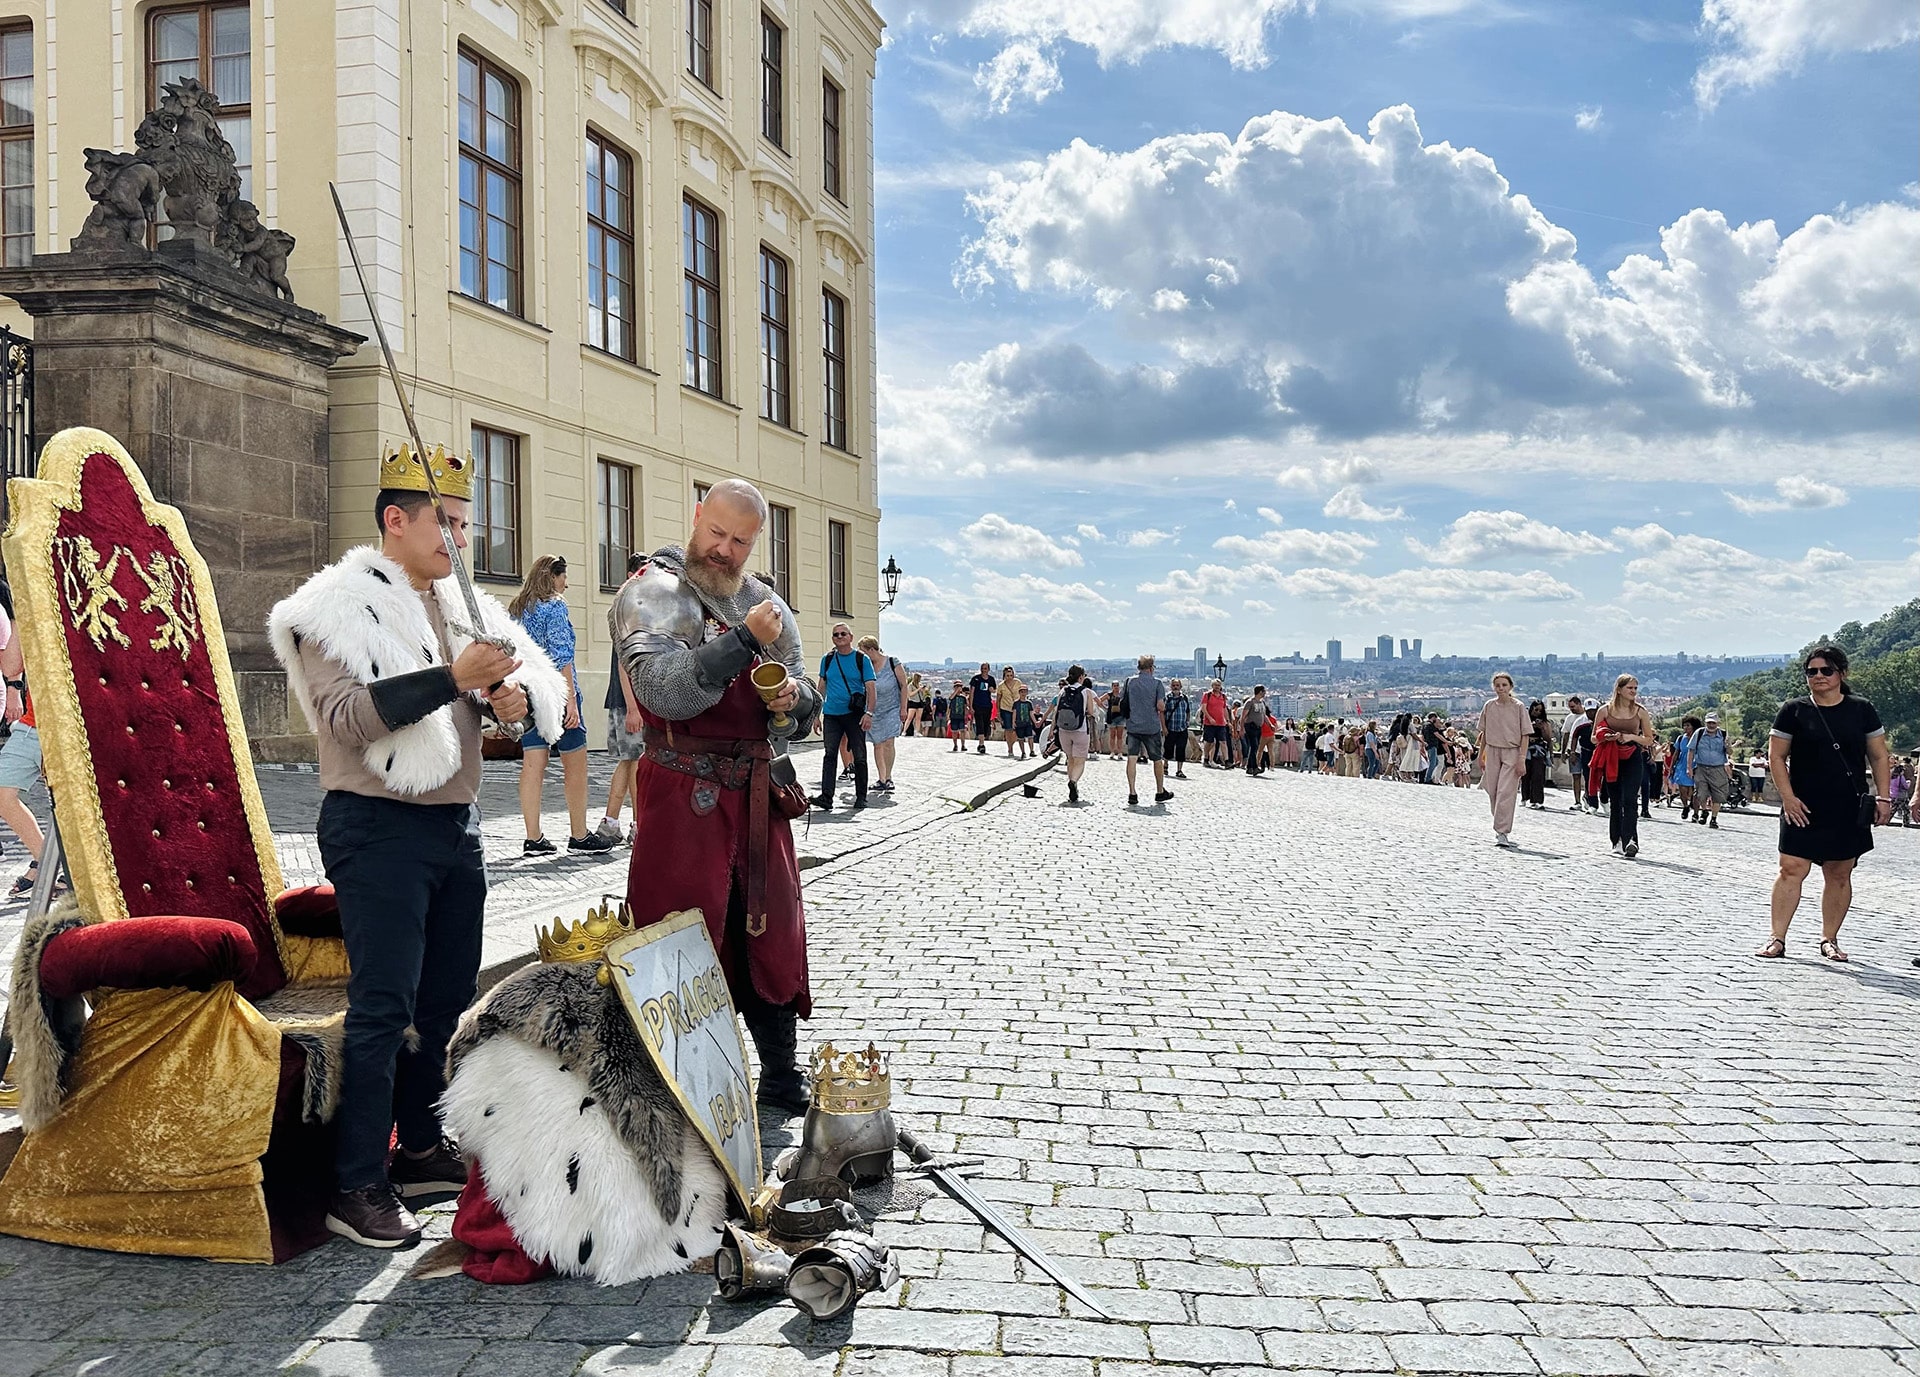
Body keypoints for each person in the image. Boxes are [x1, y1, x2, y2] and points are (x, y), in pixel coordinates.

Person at [268, 445, 563, 1248]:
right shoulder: (331, 605)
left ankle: (422, 1148)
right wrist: (450, 677)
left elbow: (526, 696)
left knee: (442, 1003)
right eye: (447, 522)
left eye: (466, 524)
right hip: (376, 826)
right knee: (383, 1007)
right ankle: (355, 1181)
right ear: (395, 521)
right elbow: (345, 718)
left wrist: (505, 693)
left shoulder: (461, 604)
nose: (459, 539)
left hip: (454, 826)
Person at [612, 478, 822, 1111]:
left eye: (740, 541)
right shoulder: (654, 591)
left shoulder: (764, 602)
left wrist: (790, 701)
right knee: (679, 931)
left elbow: (805, 702)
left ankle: (781, 1073)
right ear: (696, 515)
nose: (724, 550)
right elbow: (664, 692)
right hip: (683, 797)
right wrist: (744, 642)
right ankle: (674, 1081)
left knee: (768, 929)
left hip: (758, 797)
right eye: (716, 533)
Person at [1757, 646, 1891, 962]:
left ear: (1841, 675)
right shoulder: (1793, 710)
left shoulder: (1862, 709)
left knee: (1839, 873)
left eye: (1826, 670)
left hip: (1847, 802)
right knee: (1791, 868)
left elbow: (1879, 755)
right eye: (1812, 671)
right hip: (1801, 802)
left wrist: (1884, 797)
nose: (1818, 676)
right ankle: (1777, 938)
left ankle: (1829, 939)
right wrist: (1787, 798)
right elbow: (1776, 757)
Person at [510, 556, 616, 855]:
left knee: (533, 763)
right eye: (564, 577)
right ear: (553, 577)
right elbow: (562, 656)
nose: (566, 583)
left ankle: (533, 837)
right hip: (557, 692)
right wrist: (570, 700)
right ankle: (579, 835)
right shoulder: (554, 606)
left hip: (530, 693)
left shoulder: (518, 609)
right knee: (575, 763)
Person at [594, 553, 648, 843]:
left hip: (625, 699)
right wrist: (633, 707)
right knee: (636, 763)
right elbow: (624, 662)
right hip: (630, 702)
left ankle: (611, 823)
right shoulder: (629, 609)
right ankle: (638, 826)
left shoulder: (625, 607)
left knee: (629, 762)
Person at [814, 623, 875, 810]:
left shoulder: (861, 659)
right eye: (836, 634)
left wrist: (869, 713)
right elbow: (821, 687)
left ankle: (861, 796)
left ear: (851, 637)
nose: (839, 637)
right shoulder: (828, 659)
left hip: (854, 714)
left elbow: (871, 688)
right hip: (831, 713)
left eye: (843, 634)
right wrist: (816, 714)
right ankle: (826, 796)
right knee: (829, 755)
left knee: (859, 755)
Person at [1596, 674, 1656, 858]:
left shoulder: (1640, 711)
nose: (1633, 692)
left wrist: (1630, 737)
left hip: (1632, 756)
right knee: (1616, 801)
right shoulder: (1604, 711)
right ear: (1619, 690)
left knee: (1630, 799)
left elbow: (1649, 738)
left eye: (1635, 688)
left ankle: (1631, 840)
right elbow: (1593, 736)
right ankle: (1617, 840)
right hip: (1612, 756)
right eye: (1630, 688)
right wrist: (1607, 737)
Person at [1478, 672, 1527, 848]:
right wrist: (1480, 755)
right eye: (1497, 685)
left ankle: (1502, 830)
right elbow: (1484, 733)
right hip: (1492, 750)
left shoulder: (1519, 707)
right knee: (1493, 790)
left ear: (1510, 687)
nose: (1501, 688)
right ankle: (1500, 825)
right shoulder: (1489, 706)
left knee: (1505, 792)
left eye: (1504, 685)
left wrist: (1521, 758)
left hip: (1511, 751)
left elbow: (1525, 735)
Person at [1120, 654, 1172, 806]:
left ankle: (1132, 792)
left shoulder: (1129, 682)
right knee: (1157, 759)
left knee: (1132, 758)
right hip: (1151, 726)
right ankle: (1159, 791)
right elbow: (1160, 706)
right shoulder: (1157, 684)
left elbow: (1123, 700)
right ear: (1151, 668)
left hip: (1133, 725)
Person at [857, 634, 906, 794]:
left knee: (888, 743)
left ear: (872, 649)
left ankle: (889, 777)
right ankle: (882, 778)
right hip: (873, 710)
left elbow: (904, 685)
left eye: (863, 651)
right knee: (877, 744)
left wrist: (903, 708)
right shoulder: (866, 666)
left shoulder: (892, 662)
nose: (862, 655)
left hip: (892, 708)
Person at [1054, 665, 1094, 803]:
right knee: (1080, 760)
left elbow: (1056, 711)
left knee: (1070, 758)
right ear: (1081, 677)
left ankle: (1072, 786)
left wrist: (1053, 729)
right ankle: (1073, 781)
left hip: (1064, 730)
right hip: (1080, 729)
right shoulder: (1086, 692)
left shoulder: (1062, 691)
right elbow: (1091, 712)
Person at [1689, 712, 1733, 828]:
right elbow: (1691, 750)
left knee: (1718, 795)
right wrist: (1689, 768)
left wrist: (1728, 746)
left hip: (1718, 768)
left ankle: (1714, 818)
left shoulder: (1723, 734)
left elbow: (1730, 753)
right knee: (1701, 793)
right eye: (1709, 723)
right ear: (1705, 723)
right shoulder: (1699, 733)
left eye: (1713, 723)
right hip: (1701, 767)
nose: (1711, 725)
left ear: (1717, 723)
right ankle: (1704, 811)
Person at [1522, 699, 1552, 810]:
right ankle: (1525, 797)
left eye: (1540, 710)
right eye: (1536, 709)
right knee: (1525, 775)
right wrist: (1530, 727)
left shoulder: (1545, 723)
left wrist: (1542, 729)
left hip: (1539, 749)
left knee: (1538, 775)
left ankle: (1537, 800)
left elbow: (1548, 739)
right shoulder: (1524, 720)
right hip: (1526, 748)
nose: (1537, 712)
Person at [1568, 700, 1595, 813]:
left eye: (1593, 710)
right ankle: (1579, 800)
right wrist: (1572, 752)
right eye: (1589, 711)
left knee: (1592, 777)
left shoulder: (1600, 721)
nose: (1591, 713)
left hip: (1595, 753)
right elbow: (1573, 737)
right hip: (1581, 752)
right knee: (1579, 776)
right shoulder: (1579, 721)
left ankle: (1590, 797)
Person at [1669, 716, 1698, 820]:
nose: (1685, 728)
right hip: (1682, 766)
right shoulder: (1681, 738)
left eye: (1688, 725)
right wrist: (1671, 767)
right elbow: (1676, 753)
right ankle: (1685, 806)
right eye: (1684, 725)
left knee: (1695, 792)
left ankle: (1695, 812)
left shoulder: (1698, 738)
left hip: (1696, 766)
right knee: (1682, 789)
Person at [1164, 678, 1192, 779]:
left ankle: (1179, 770)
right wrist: (1163, 727)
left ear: (1180, 687)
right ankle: (1165, 765)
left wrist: (1187, 722)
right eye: (1174, 685)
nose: (1175, 687)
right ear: (1171, 687)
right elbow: (1162, 713)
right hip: (1171, 727)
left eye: (1177, 685)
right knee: (1168, 748)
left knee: (1181, 749)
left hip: (1182, 728)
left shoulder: (1185, 698)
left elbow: (1188, 711)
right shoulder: (1167, 698)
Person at [1242, 686, 1273, 777]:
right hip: (1250, 726)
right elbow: (1243, 716)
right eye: (1264, 691)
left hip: (1258, 727)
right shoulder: (1250, 702)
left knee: (1254, 747)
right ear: (1260, 692)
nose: (1265, 693)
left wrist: (1270, 724)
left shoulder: (1262, 703)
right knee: (1254, 746)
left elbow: (1264, 715)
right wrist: (1242, 728)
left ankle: (1250, 767)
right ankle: (1254, 767)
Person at [967, 663, 996, 755]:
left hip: (987, 705)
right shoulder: (976, 679)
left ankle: (981, 743)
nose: (984, 670)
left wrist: (992, 690)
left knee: (986, 725)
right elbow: (972, 693)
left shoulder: (991, 679)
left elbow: (994, 690)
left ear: (988, 669)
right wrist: (971, 706)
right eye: (983, 668)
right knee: (979, 723)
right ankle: (981, 744)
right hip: (977, 704)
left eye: (986, 668)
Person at [1200, 681, 1230, 767]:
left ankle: (1227, 760)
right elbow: (1203, 708)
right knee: (1209, 742)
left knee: (1223, 742)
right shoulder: (1207, 695)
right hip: (1209, 723)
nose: (1217, 687)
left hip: (1221, 723)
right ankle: (1206, 758)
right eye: (1215, 685)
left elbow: (1224, 709)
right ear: (1212, 686)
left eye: (1219, 685)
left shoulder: (1223, 696)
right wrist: (1209, 718)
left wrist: (1227, 721)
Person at [995, 666, 1023, 758]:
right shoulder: (1001, 686)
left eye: (1011, 675)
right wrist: (998, 712)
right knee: (1008, 729)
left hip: (1016, 709)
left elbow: (1022, 694)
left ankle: (1011, 744)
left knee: (1017, 729)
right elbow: (998, 700)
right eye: (1007, 675)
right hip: (1005, 708)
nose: (1009, 677)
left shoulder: (1018, 682)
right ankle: (1010, 749)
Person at [1013, 684, 1037, 760]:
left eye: (1025, 692)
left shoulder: (1029, 703)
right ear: (1019, 693)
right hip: (1019, 723)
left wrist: (1035, 722)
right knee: (1020, 739)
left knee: (1030, 737)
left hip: (1027, 723)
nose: (1023, 693)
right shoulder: (1016, 703)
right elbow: (1014, 712)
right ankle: (1023, 752)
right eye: (1022, 692)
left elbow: (1031, 713)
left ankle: (1032, 751)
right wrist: (1013, 722)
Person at [901, 670, 926, 738]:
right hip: (913, 702)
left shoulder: (919, 685)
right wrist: (918, 689)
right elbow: (910, 694)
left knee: (918, 718)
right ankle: (904, 731)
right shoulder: (910, 685)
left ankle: (917, 731)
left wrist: (922, 690)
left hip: (919, 702)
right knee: (910, 717)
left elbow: (923, 695)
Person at [947, 680, 969, 749]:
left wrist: (966, 715)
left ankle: (963, 745)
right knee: (954, 732)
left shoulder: (963, 697)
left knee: (962, 731)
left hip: (961, 716)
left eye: (960, 686)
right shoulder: (952, 696)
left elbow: (966, 706)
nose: (959, 687)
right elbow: (950, 698)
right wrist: (956, 691)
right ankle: (955, 745)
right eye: (957, 686)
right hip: (953, 716)